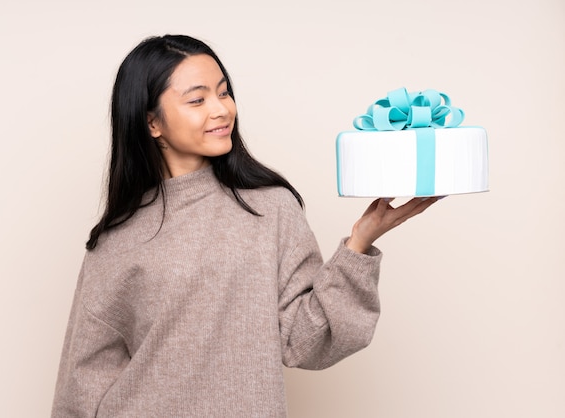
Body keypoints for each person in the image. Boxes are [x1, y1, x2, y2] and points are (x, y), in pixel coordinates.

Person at [51, 34, 439, 417]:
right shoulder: (118, 238)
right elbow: (83, 380)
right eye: (198, 99)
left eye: (223, 93)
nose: (221, 110)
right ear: (152, 122)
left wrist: (360, 240)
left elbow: (305, 341)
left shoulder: (270, 208)